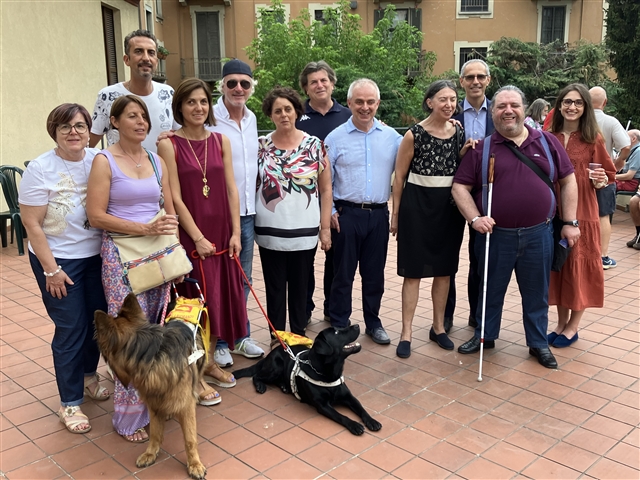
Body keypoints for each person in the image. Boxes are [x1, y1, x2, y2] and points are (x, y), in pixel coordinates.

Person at [452, 85, 579, 369]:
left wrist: (570, 222)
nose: (508, 111)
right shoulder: (482, 149)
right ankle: (485, 335)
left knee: (537, 292)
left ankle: (537, 343)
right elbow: (460, 186)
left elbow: (568, 180)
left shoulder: (547, 142)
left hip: (539, 234)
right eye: (501, 106)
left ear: (523, 109)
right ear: (493, 113)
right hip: (495, 236)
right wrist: (474, 219)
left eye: (513, 105)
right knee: (489, 289)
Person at [86, 95, 180, 443]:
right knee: (128, 334)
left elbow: (168, 212)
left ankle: (153, 398)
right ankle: (128, 416)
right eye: (132, 116)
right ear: (114, 122)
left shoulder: (157, 161)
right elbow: (96, 216)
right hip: (121, 257)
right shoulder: (104, 160)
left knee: (155, 329)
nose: (141, 122)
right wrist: (143, 229)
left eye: (144, 116)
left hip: (156, 255)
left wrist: (176, 255)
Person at [19, 104, 109, 434]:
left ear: (89, 130)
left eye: (81, 126)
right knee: (71, 327)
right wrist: (50, 270)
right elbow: (32, 223)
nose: (74, 132)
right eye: (66, 126)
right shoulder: (41, 168)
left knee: (96, 321)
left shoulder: (98, 161)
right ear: (54, 131)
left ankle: (88, 376)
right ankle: (69, 403)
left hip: (97, 258)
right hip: (59, 261)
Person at [158, 78, 246, 405]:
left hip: (223, 233)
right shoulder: (169, 144)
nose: (198, 108)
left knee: (218, 298)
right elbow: (174, 197)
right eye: (191, 102)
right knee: (193, 304)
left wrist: (236, 233)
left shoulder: (220, 140)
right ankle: (192, 373)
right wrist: (197, 236)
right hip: (191, 234)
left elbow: (232, 189)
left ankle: (208, 362)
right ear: (179, 107)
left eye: (203, 102)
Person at [390, 80, 472, 358]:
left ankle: (438, 328)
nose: (449, 105)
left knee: (444, 270)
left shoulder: (459, 131)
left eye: (453, 99)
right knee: (413, 272)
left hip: (448, 209)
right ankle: (406, 333)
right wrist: (396, 215)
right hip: (417, 207)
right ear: (430, 102)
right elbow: (399, 176)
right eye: (443, 99)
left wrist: (465, 150)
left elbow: (456, 166)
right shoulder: (414, 134)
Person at [325, 79, 402, 345]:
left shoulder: (393, 137)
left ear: (378, 104)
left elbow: (417, 152)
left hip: (378, 215)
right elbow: (324, 181)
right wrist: (331, 210)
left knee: (374, 275)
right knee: (342, 274)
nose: (365, 107)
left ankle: (373, 322)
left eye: (370, 102)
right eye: (359, 101)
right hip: (346, 215)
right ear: (349, 103)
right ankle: (338, 323)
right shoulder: (335, 138)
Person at [255, 87, 332, 337]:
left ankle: (298, 336)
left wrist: (325, 228)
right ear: (270, 114)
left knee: (301, 286)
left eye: (288, 109)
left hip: (304, 231)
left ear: (297, 111)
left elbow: (326, 189)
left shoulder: (315, 145)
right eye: (277, 110)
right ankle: (277, 337)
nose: (283, 114)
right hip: (270, 231)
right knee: (274, 287)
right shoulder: (260, 146)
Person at [547, 84, 616, 348]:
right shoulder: (548, 135)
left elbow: (608, 175)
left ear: (585, 107)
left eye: (578, 102)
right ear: (559, 105)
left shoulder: (592, 138)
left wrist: (600, 180)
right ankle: (560, 323)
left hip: (582, 213)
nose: (572, 107)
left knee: (578, 269)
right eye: (567, 102)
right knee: (559, 268)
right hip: (552, 213)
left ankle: (573, 326)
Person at [208, 59, 265, 367]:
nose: (238, 88)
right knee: (219, 279)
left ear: (251, 88)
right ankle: (218, 340)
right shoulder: (209, 117)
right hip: (217, 214)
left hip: (247, 211)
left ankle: (240, 337)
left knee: (243, 278)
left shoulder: (253, 118)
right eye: (232, 83)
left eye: (244, 83)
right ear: (222, 86)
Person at [296, 61, 352, 324]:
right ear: (306, 89)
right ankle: (304, 310)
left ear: (332, 83)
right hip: (303, 202)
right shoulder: (297, 117)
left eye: (323, 80)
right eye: (313, 82)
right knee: (304, 261)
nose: (319, 85)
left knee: (336, 262)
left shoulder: (349, 114)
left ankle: (332, 309)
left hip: (339, 202)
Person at [446, 59, 495, 333]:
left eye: (480, 76)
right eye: (469, 77)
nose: (475, 81)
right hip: (454, 195)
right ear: (462, 81)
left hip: (487, 195)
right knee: (448, 259)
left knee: (481, 260)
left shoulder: (499, 113)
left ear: (488, 80)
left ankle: (478, 316)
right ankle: (446, 315)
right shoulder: (449, 112)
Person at [89, 30, 177, 152]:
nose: (146, 58)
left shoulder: (168, 94)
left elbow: (182, 136)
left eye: (151, 53)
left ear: (156, 61)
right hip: (120, 170)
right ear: (127, 60)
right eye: (138, 51)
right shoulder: (108, 96)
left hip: (162, 169)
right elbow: (88, 144)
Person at [589, 86, 631, 270]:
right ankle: (603, 256)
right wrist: (618, 162)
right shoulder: (611, 121)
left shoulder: (581, 120)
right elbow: (626, 145)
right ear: (605, 102)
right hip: (604, 174)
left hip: (580, 174)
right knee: (604, 214)